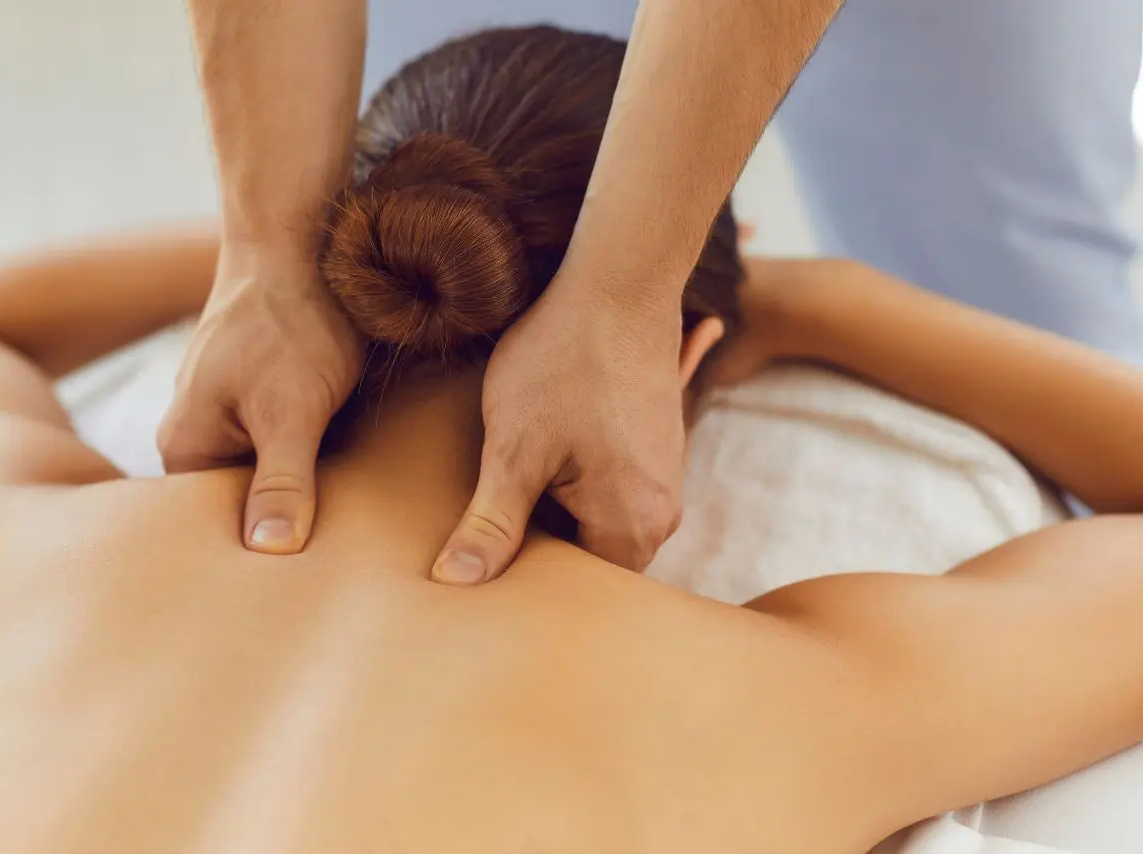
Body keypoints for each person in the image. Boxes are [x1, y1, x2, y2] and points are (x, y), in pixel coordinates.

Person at [0, 26, 1143, 852]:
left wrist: (283, 258)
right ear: (686, 367)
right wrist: (816, 296)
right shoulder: (781, 694)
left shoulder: (22, 546)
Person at [167, 0, 1143, 581]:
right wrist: (275, 259)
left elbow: (1, 316)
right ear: (701, 345)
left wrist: (620, 289)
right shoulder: (773, 668)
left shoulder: (68, 539)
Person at [166, 0, 848, 578]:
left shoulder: (90, 545)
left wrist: (272, 253)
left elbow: (49, 309)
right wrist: (784, 303)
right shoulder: (769, 670)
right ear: (689, 355)